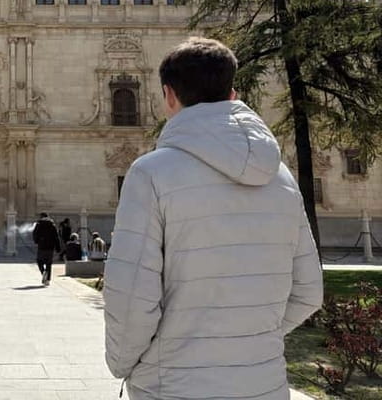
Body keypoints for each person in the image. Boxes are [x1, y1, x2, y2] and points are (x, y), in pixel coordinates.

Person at [103, 37, 322, 400]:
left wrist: (128, 365)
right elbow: (309, 292)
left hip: (173, 385)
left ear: (169, 95)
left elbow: (130, 297)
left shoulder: (150, 174)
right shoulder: (281, 176)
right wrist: (246, 343)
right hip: (263, 384)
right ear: (233, 93)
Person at [32, 211, 61, 286]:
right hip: (50, 247)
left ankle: (43, 271)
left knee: (39, 261)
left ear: (41, 217)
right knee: (49, 263)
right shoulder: (52, 225)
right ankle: (47, 280)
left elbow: (35, 234)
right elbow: (56, 237)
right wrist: (58, 248)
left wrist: (37, 241)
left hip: (41, 246)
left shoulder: (38, 224)